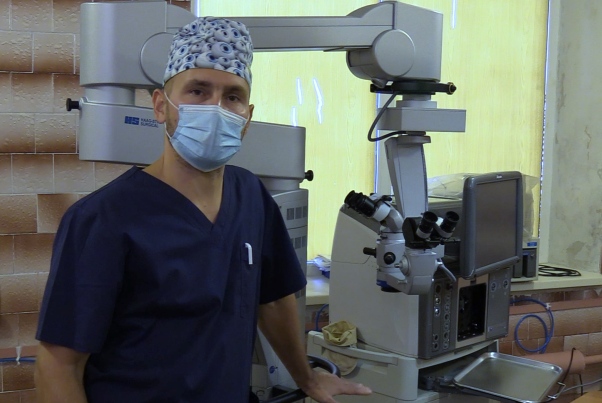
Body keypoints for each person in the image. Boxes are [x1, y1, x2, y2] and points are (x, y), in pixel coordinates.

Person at [34, 16, 372, 403]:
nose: (215, 108)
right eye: (197, 91)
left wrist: (307, 378)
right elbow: (58, 365)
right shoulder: (102, 219)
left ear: (246, 118)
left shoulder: (250, 196)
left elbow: (273, 299)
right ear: (160, 106)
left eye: (232, 97)